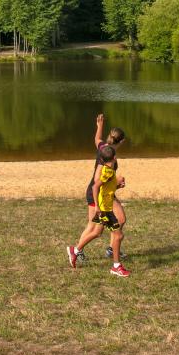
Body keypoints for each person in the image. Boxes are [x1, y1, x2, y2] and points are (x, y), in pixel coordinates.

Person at [66, 114, 127, 266]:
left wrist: (99, 126)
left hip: (106, 193)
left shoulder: (103, 148)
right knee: (94, 228)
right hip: (99, 194)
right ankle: (76, 250)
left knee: (120, 219)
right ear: (122, 141)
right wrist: (117, 182)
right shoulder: (110, 159)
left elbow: (97, 140)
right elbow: (98, 181)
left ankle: (112, 249)